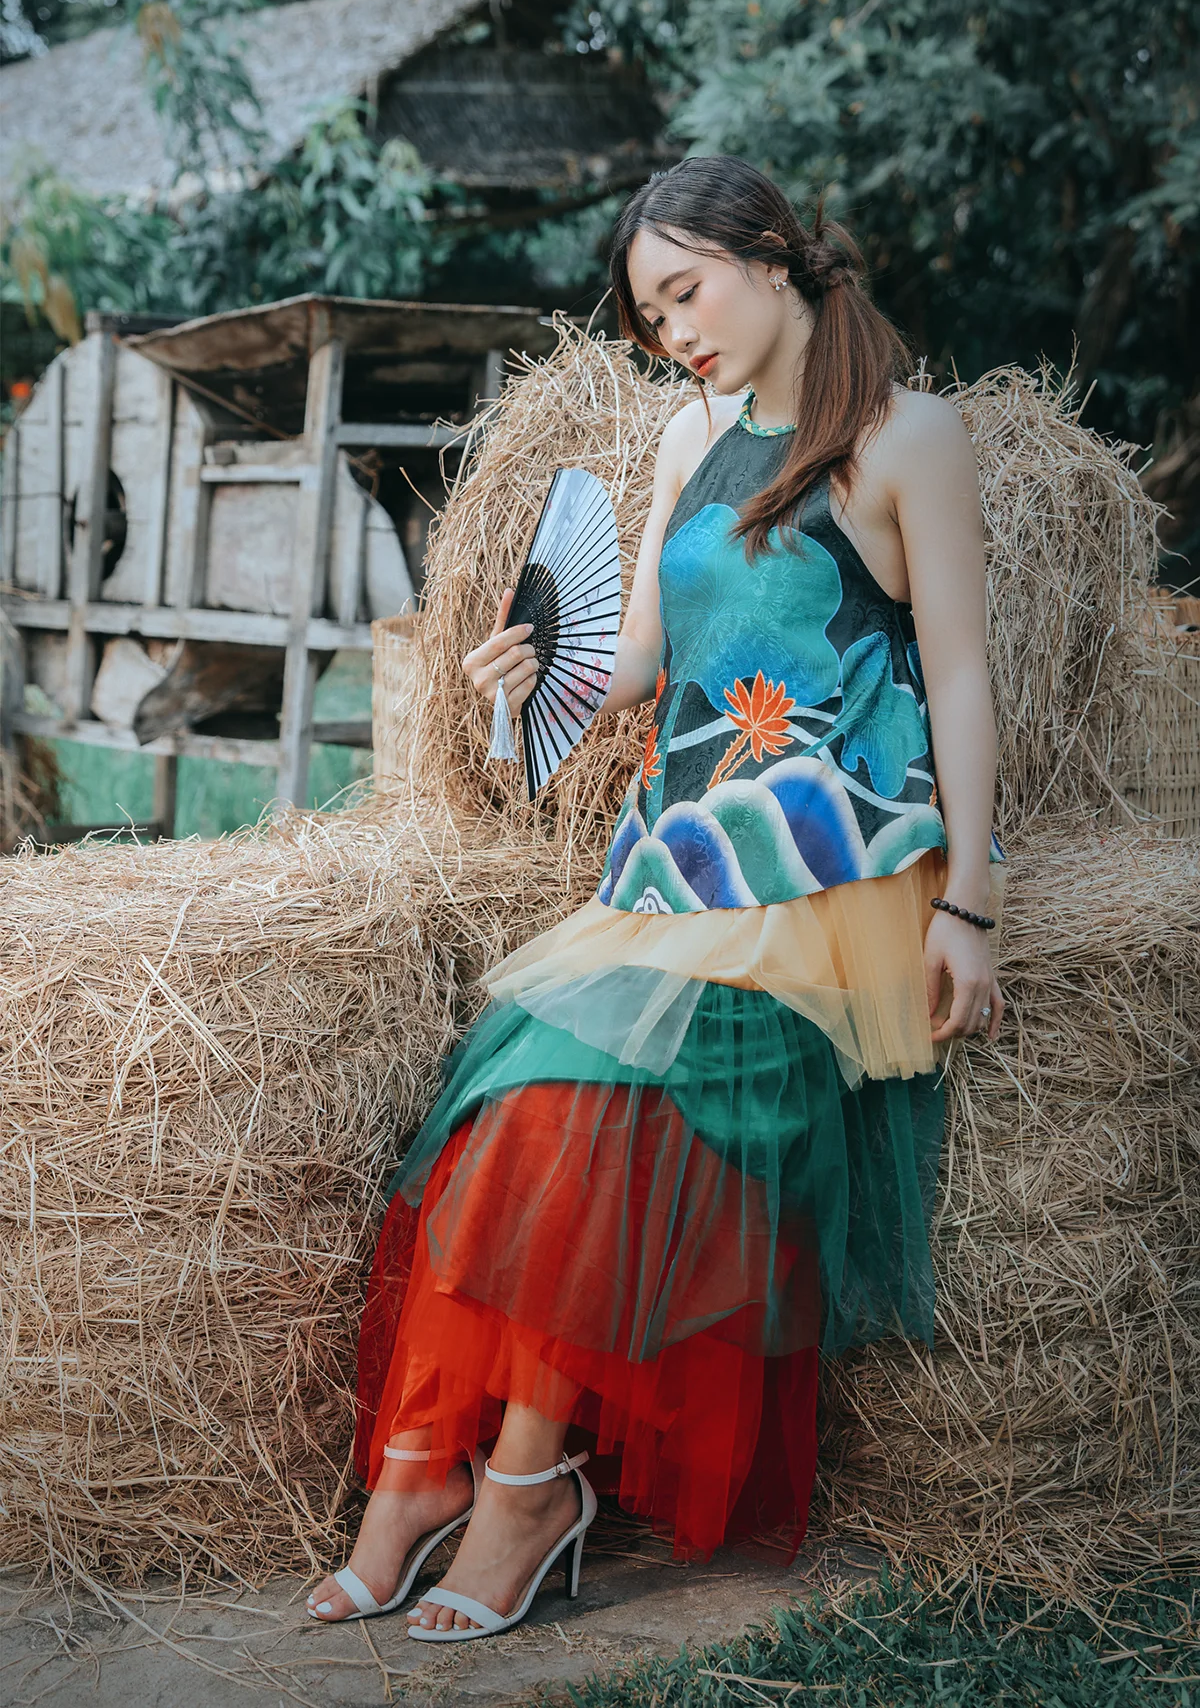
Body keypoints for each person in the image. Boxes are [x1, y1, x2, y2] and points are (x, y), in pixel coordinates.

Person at [306, 154, 1007, 1640]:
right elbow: (642, 663)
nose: (673, 332)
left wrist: (972, 905)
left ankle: (522, 1490)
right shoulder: (691, 433)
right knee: (509, 1101)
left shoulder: (906, 438)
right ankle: (422, 1471)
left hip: (829, 864)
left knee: (595, 1112)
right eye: (651, 315)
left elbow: (957, 672)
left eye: (686, 293)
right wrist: (530, 675)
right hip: (677, 858)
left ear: (773, 256)